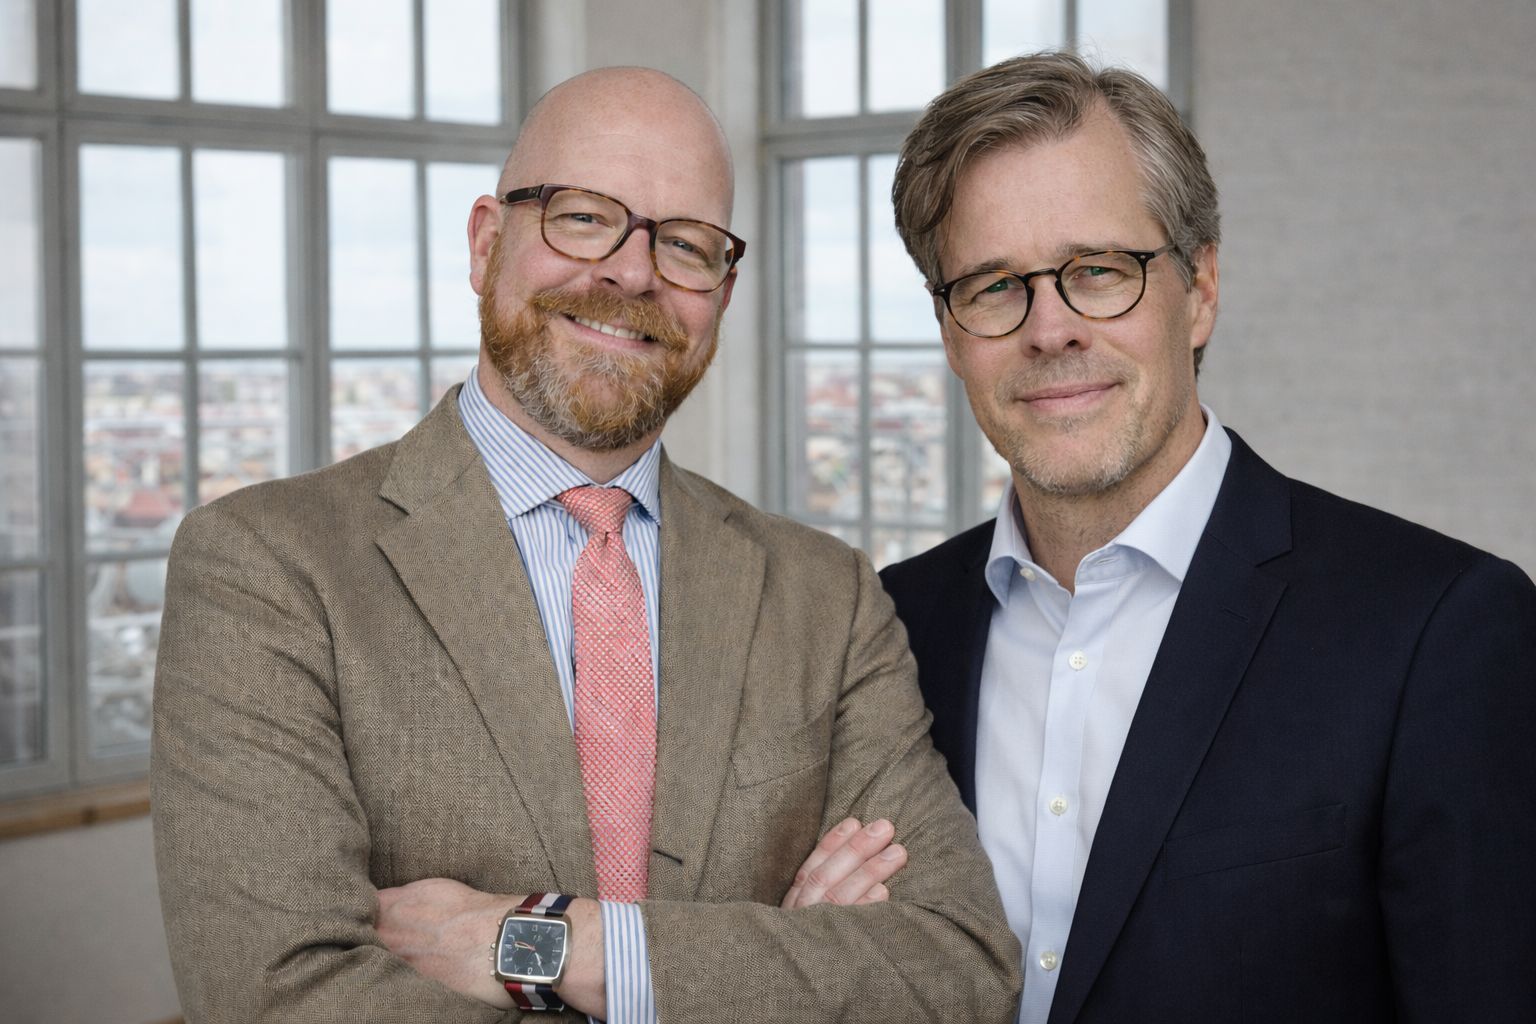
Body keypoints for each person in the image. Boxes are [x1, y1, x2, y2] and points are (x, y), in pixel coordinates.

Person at [151, 67, 1019, 1023]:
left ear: (722, 294)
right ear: (486, 244)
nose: (632, 272)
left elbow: (957, 965)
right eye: (580, 216)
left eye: (685, 244)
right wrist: (766, 970)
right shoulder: (268, 568)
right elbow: (274, 997)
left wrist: (558, 946)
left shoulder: (827, 595)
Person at [878, 51, 1536, 1024]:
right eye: (992, 286)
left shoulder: (1438, 630)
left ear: (1202, 290)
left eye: (1099, 271)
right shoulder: (890, 629)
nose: (1049, 328)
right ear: (949, 330)